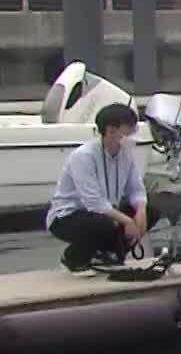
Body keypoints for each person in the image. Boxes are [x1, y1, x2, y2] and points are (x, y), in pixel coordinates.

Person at [46, 103, 148, 272]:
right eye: (128, 129)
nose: (132, 134)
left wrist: (141, 211)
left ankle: (108, 253)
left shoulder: (125, 154)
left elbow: (136, 189)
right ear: (111, 130)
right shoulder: (83, 157)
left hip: (107, 212)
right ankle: (73, 258)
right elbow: (94, 203)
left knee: (150, 212)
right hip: (67, 216)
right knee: (105, 224)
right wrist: (127, 220)